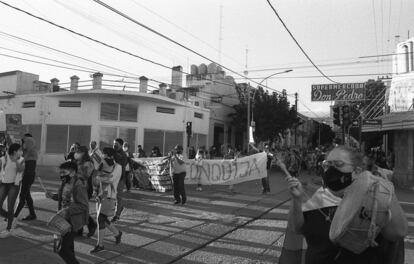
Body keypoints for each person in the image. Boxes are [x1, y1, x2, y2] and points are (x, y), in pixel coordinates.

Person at [277, 146, 407, 264]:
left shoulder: (372, 199)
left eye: (338, 164)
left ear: (356, 171)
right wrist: (296, 200)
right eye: (327, 165)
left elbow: (398, 233)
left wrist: (383, 188)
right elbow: (297, 228)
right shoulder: (317, 196)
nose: (330, 170)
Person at [46, 161, 89, 264]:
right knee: (69, 249)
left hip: (73, 222)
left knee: (62, 250)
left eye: (64, 172)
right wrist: (53, 196)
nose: (61, 175)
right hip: (64, 221)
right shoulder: (65, 182)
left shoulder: (78, 186)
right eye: (60, 173)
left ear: (73, 172)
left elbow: (83, 206)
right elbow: (64, 198)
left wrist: (67, 210)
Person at [90, 148, 123, 253]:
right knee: (103, 219)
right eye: (103, 155)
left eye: (105, 155)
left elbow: (110, 179)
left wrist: (100, 175)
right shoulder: (102, 165)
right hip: (100, 195)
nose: (103, 157)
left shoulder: (118, 167)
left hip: (109, 196)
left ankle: (100, 245)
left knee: (100, 219)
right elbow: (95, 178)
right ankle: (117, 233)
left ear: (111, 156)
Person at [0, 143, 24, 238]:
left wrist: (16, 161)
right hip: (3, 184)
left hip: (14, 185)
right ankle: (10, 217)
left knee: (10, 207)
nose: (21, 151)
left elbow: (21, 170)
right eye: (20, 150)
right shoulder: (3, 159)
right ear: (15, 151)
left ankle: (9, 229)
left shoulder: (21, 160)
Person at [74, 146, 97, 237]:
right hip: (77, 186)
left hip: (85, 188)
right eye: (76, 151)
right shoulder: (79, 161)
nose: (77, 153)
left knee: (81, 208)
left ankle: (91, 224)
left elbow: (86, 175)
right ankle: (79, 229)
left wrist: (76, 171)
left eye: (79, 151)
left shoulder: (88, 163)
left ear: (84, 153)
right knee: (78, 208)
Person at [14, 133, 38, 221]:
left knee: (23, 196)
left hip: (27, 176)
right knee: (27, 195)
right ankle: (32, 214)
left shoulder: (29, 145)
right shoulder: (32, 152)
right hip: (29, 176)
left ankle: (14, 216)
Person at [112, 138, 127, 222]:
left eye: (116, 143)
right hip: (113, 177)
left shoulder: (123, 155)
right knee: (112, 196)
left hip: (120, 178)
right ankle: (119, 208)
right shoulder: (113, 152)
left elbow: (121, 166)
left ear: (121, 145)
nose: (114, 145)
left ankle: (117, 215)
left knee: (119, 197)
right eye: (114, 143)